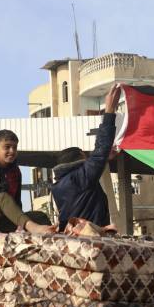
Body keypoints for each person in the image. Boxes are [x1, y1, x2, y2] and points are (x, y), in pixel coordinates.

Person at [52, 84, 121, 231]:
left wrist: (103, 157)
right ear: (79, 160)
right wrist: (109, 110)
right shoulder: (80, 178)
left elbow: (96, 157)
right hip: (89, 238)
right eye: (85, 157)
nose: (88, 161)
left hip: (72, 238)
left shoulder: (59, 186)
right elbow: (99, 151)